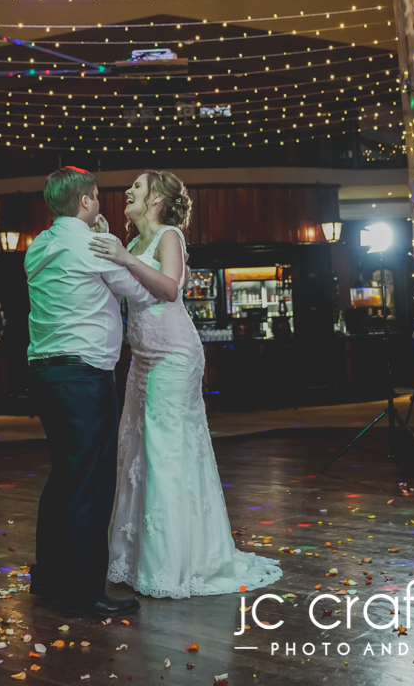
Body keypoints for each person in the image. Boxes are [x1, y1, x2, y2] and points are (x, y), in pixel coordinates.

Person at [91, 171, 283, 599]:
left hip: (175, 356)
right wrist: (110, 246)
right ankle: (135, 558)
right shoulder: (134, 245)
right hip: (142, 359)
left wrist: (122, 257)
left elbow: (171, 289)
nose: (127, 192)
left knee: (166, 453)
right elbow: (122, 286)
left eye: (137, 187)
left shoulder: (169, 236)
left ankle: (174, 564)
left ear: (156, 199)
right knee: (137, 451)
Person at [24, 165, 176, 620]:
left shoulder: (39, 245)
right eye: (96, 196)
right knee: (89, 485)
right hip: (83, 377)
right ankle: (84, 591)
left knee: (63, 479)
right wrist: (114, 249)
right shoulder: (91, 245)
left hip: (44, 373)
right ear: (87, 200)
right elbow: (144, 294)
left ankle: (50, 577)